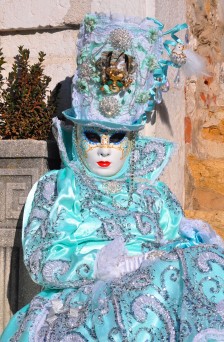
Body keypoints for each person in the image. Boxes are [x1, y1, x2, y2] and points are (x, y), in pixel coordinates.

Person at [1, 13, 224, 342]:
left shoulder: (155, 195)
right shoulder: (57, 188)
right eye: (94, 135)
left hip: (156, 284)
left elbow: (174, 252)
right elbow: (40, 258)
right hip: (82, 301)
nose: (104, 149)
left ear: (132, 141)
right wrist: (101, 263)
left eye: (116, 138)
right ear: (77, 136)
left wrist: (193, 239)